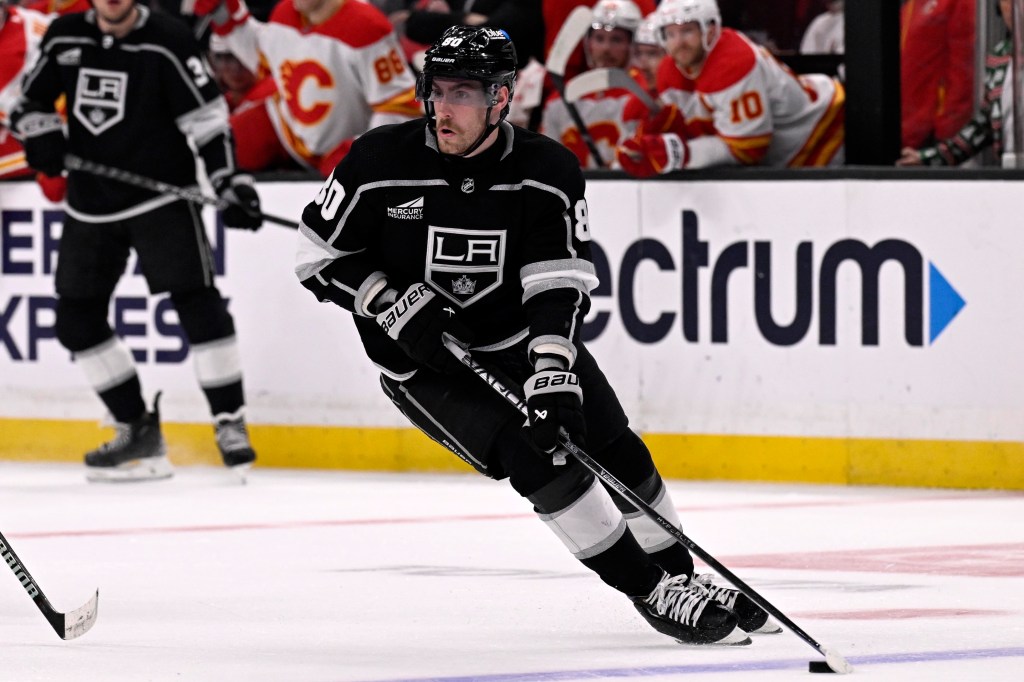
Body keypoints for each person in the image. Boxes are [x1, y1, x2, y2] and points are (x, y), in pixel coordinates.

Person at [294, 24, 781, 646]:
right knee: (539, 462)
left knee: (615, 447)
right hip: (431, 370)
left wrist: (552, 371)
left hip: (521, 341)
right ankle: (651, 590)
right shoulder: (376, 160)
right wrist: (385, 300)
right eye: (437, 90)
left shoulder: (546, 170)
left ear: (501, 98)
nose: (444, 107)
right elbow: (316, 256)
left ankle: (681, 574)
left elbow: (555, 282)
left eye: (464, 93)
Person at [11, 0, 263, 482]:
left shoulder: (168, 39)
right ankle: (136, 429)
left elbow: (208, 122)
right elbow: (28, 103)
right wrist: (40, 132)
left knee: (198, 303)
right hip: (91, 200)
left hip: (160, 198)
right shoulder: (65, 35)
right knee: (75, 318)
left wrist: (228, 182)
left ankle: (229, 420)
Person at [186, 0, 423, 177]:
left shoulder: (367, 27)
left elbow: (401, 105)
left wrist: (363, 149)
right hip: (288, 127)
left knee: (352, 175)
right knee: (221, 150)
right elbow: (264, 57)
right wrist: (225, 16)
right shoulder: (286, 12)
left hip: (341, 143)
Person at [616, 0, 845, 176]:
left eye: (687, 31)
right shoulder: (670, 71)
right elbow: (703, 129)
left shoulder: (733, 63)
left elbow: (747, 150)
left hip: (822, 133)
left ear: (711, 31)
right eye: (670, 34)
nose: (679, 43)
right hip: (783, 150)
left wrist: (677, 153)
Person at [898, 0, 1013, 167]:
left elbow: (961, 74)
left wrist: (945, 129)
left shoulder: (956, 4)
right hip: (918, 135)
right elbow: (983, 126)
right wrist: (931, 157)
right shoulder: (1000, 58)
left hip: (935, 130)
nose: (1014, 7)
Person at [541, 0, 646, 168]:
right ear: (588, 42)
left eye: (616, 40)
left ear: (632, 45)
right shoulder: (559, 101)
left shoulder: (645, 94)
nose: (605, 48)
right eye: (599, 38)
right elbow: (546, 165)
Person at [900, 0, 976, 150]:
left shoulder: (957, 3)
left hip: (932, 135)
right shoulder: (912, 5)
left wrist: (946, 135)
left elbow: (963, 72)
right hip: (907, 132)